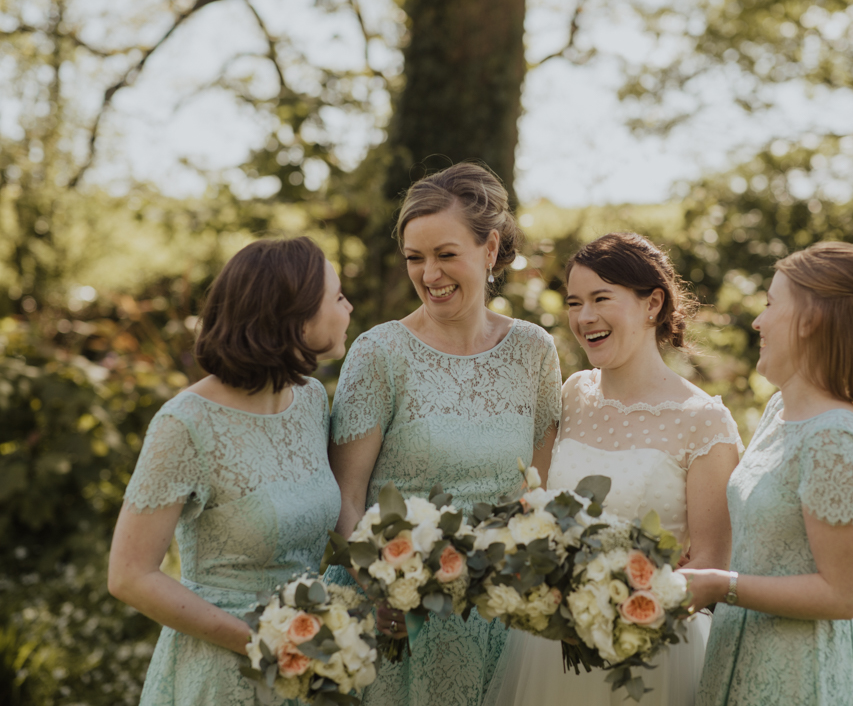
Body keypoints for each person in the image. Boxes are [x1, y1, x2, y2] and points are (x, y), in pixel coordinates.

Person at [327, 162, 562, 706]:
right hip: (396, 620)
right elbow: (345, 495)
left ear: (491, 248)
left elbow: (539, 489)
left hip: (501, 621)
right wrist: (381, 585)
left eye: (445, 254)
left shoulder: (534, 351)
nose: (429, 274)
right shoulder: (378, 353)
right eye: (415, 258)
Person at [483, 232, 743, 706]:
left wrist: (620, 603)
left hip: (648, 654)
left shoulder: (704, 421)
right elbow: (532, 505)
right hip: (548, 649)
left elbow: (709, 567)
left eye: (602, 298)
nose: (584, 318)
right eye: (575, 302)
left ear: (652, 304)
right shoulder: (571, 395)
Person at [108, 236, 352, 705]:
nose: (349, 307)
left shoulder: (311, 400)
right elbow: (129, 574)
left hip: (306, 666)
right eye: (337, 297)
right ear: (295, 318)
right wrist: (258, 642)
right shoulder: (185, 424)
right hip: (219, 673)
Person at [686, 241, 853, 705]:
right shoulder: (778, 409)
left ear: (811, 320)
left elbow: (842, 596)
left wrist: (719, 585)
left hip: (794, 676)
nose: (757, 321)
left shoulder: (836, 438)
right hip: (737, 654)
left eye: (770, 304)